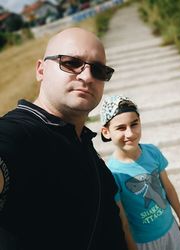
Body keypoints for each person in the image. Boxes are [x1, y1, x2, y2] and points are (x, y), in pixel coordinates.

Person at [0, 27, 131, 250]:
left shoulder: (81, 140)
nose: (87, 76)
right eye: (71, 63)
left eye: (98, 70)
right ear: (41, 70)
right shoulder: (21, 134)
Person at [100, 95, 180, 250]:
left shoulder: (152, 152)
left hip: (170, 229)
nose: (129, 134)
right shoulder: (112, 173)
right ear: (106, 132)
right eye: (121, 128)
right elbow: (122, 220)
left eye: (134, 124)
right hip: (143, 243)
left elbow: (168, 188)